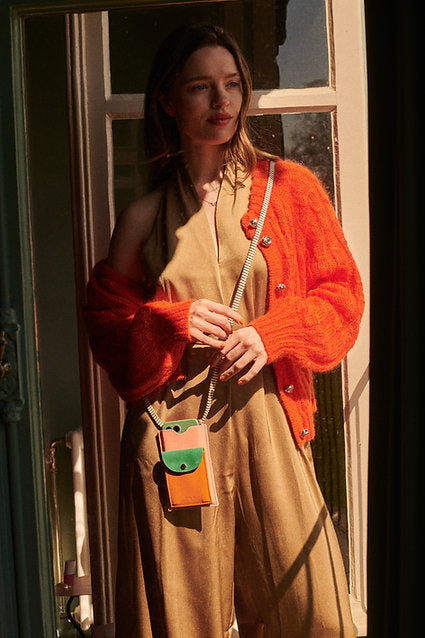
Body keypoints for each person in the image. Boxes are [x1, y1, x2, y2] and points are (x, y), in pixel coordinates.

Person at [84, 24, 364, 638]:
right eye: (201, 88)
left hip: (270, 426)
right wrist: (172, 322)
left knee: (314, 613)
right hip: (175, 437)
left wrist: (274, 333)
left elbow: (342, 297)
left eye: (233, 85)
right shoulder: (143, 216)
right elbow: (106, 329)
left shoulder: (289, 190)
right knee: (179, 622)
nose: (222, 102)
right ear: (167, 100)